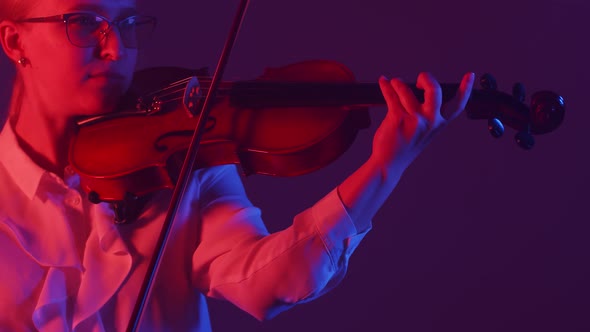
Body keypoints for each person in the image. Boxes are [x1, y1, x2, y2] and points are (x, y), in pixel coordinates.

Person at [0, 0, 475, 331]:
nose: (115, 49)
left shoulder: (180, 156)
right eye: (84, 23)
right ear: (14, 40)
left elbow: (268, 286)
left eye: (126, 25)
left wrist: (385, 168)